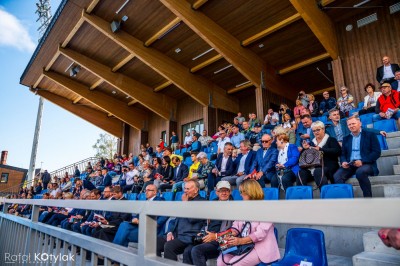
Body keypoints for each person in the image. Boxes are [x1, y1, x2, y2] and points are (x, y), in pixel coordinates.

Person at [217, 179, 280, 266]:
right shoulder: (242, 207)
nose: (240, 194)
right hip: (242, 245)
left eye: (242, 192)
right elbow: (236, 225)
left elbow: (260, 233)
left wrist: (240, 241)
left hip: (259, 247)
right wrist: (227, 236)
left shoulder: (267, 208)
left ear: (250, 192)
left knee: (233, 264)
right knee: (220, 261)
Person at [184, 181, 233, 266]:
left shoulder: (235, 205)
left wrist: (215, 236)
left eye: (226, 190)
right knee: (187, 251)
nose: (224, 193)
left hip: (224, 239)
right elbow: (205, 222)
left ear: (230, 192)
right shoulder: (213, 203)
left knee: (197, 250)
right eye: (221, 190)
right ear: (217, 192)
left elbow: (235, 230)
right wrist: (203, 231)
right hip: (209, 236)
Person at [157, 180, 206, 261]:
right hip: (176, 234)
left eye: (188, 189)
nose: (185, 191)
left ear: (196, 190)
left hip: (189, 236)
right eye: (185, 189)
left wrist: (185, 204)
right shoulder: (184, 202)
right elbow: (174, 220)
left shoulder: (202, 202)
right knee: (155, 242)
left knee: (169, 246)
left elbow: (192, 219)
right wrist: (169, 232)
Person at [333, 116, 381, 197]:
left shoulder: (370, 135)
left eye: (353, 123)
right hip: (350, 164)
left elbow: (376, 152)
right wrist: (343, 161)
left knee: (360, 172)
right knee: (337, 176)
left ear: (360, 124)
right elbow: (343, 154)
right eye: (349, 125)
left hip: (366, 163)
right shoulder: (346, 138)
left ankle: (368, 199)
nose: (351, 126)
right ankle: (344, 200)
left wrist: (362, 161)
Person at [297, 121, 341, 186]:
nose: (316, 132)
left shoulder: (331, 140)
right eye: (314, 131)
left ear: (323, 129)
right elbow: (302, 158)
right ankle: (303, 194)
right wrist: (304, 149)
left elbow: (337, 151)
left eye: (318, 130)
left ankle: (324, 194)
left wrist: (321, 149)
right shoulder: (311, 143)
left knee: (318, 171)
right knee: (301, 172)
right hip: (312, 167)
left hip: (328, 167)